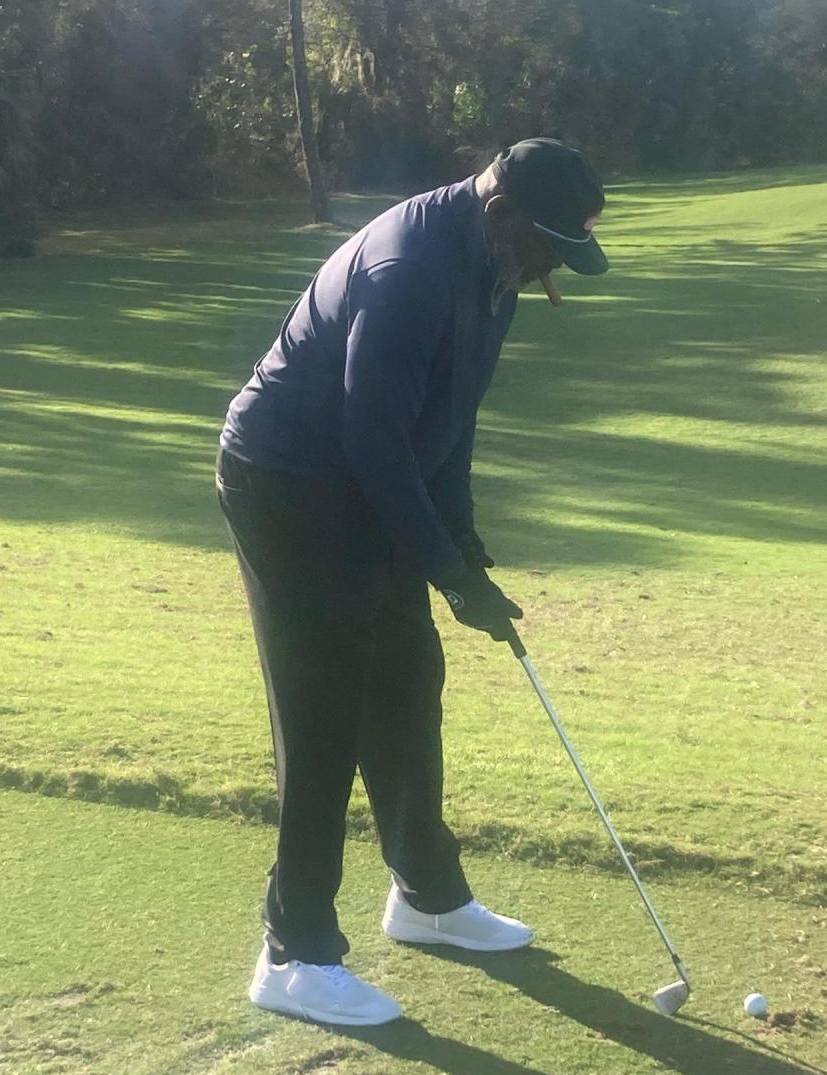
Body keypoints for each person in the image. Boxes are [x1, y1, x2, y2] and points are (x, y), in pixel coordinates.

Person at [216, 138, 608, 1027]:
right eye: (550, 245)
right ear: (505, 212)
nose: (553, 267)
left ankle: (427, 897)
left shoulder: (498, 264)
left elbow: (447, 424)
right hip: (289, 481)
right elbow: (374, 443)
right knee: (326, 708)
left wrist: (462, 547)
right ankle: (293, 952)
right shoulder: (410, 271)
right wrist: (444, 571)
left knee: (407, 680)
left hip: (363, 475)